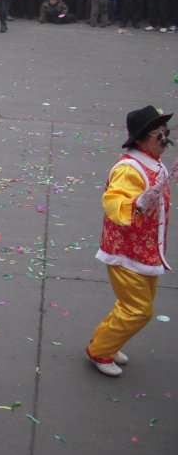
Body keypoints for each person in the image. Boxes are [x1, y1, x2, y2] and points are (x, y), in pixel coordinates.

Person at [86, 106, 173, 377]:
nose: (164, 139)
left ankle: (107, 344)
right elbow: (114, 202)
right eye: (158, 135)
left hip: (146, 250)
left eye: (165, 133)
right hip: (126, 253)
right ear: (141, 139)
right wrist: (138, 203)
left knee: (132, 305)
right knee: (139, 310)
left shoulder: (153, 163)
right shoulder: (129, 168)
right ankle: (100, 349)